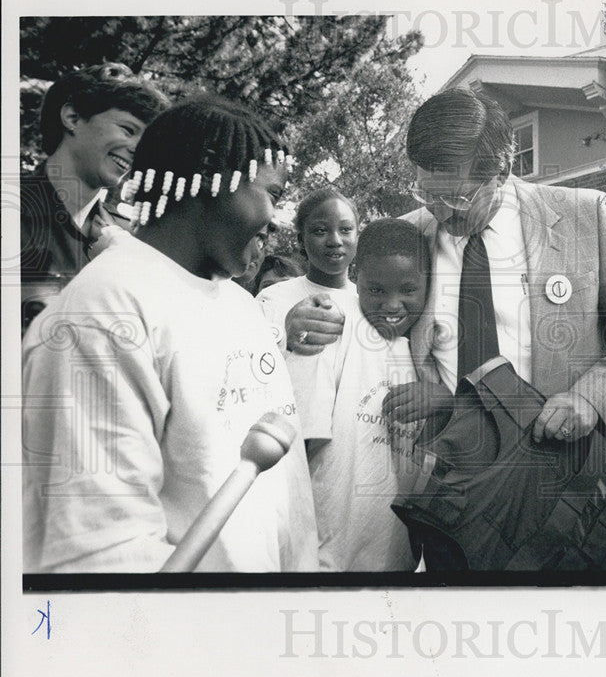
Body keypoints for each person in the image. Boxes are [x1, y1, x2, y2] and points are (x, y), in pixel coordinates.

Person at [22, 96, 318, 573]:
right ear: (208, 179)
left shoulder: (241, 307)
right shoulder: (104, 311)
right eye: (274, 195)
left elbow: (288, 503)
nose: (276, 220)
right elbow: (100, 549)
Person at [288, 88, 606, 447]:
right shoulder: (409, 235)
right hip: (447, 470)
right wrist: (302, 324)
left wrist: (591, 399)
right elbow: (366, 308)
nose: (439, 211)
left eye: (457, 197)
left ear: (501, 173)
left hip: (559, 468)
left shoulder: (584, 216)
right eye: (426, 193)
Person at [286, 217, 433, 571]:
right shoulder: (336, 326)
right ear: (356, 281)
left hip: (398, 553)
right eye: (377, 290)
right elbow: (303, 442)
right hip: (328, 546)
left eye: (408, 290)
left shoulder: (429, 343)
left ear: (428, 286)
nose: (392, 305)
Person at [21, 63, 169, 330]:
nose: (138, 150)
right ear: (73, 117)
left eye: (146, 143)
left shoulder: (129, 241)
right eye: (128, 129)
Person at [257, 187, 358, 350]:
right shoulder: (270, 300)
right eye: (320, 231)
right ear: (301, 240)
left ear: (357, 236)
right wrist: (284, 340)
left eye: (345, 229)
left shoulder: (370, 303)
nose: (335, 240)